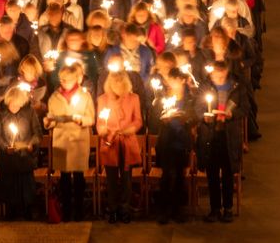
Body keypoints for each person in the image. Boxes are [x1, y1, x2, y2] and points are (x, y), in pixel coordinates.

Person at [195, 60, 245, 222]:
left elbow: (244, 108)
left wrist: (232, 115)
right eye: (214, 75)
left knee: (228, 173)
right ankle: (215, 208)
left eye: (220, 75)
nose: (216, 78)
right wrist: (204, 116)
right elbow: (198, 107)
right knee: (212, 174)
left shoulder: (236, 86)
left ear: (225, 73)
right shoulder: (206, 86)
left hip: (228, 135)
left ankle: (228, 208)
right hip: (210, 135)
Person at [46, 64, 94, 221]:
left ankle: (79, 211)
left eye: (68, 79)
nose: (65, 82)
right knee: (64, 178)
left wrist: (81, 119)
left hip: (78, 140)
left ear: (76, 79)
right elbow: (51, 118)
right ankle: (66, 211)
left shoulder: (85, 96)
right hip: (62, 141)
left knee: (79, 178)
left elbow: (91, 118)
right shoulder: (54, 97)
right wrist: (49, 122)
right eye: (62, 79)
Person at [96, 70, 143, 224]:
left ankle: (124, 208)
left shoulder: (133, 98)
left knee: (126, 178)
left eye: (120, 82)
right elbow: (100, 122)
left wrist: (130, 129)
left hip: (126, 142)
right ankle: (113, 209)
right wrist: (102, 130)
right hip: (110, 143)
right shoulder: (102, 100)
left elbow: (138, 121)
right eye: (114, 82)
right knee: (111, 179)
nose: (117, 85)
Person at [0, 85, 42, 220]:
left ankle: (27, 210)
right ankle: (10, 211)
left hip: (25, 157)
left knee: (26, 186)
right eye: (12, 104)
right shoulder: (0, 113)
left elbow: (37, 132)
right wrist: (4, 147)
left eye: (17, 104)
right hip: (7, 159)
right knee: (9, 185)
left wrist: (31, 144)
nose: (14, 107)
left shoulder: (29, 112)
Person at [154, 67, 195, 223]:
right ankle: (164, 211)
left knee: (179, 177)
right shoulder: (163, 98)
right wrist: (164, 119)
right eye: (171, 80)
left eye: (176, 80)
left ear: (183, 80)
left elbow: (193, 117)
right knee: (165, 177)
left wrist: (184, 119)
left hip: (182, 143)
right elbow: (155, 116)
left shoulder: (189, 99)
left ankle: (178, 210)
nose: (173, 83)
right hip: (167, 143)